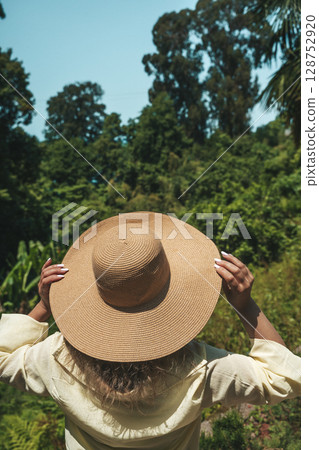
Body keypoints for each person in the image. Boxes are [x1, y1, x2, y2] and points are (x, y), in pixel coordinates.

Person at [0, 212, 300, 449]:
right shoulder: (199, 369)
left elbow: (3, 356)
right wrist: (246, 307)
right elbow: (286, 377)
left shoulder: (56, 359)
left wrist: (44, 306)